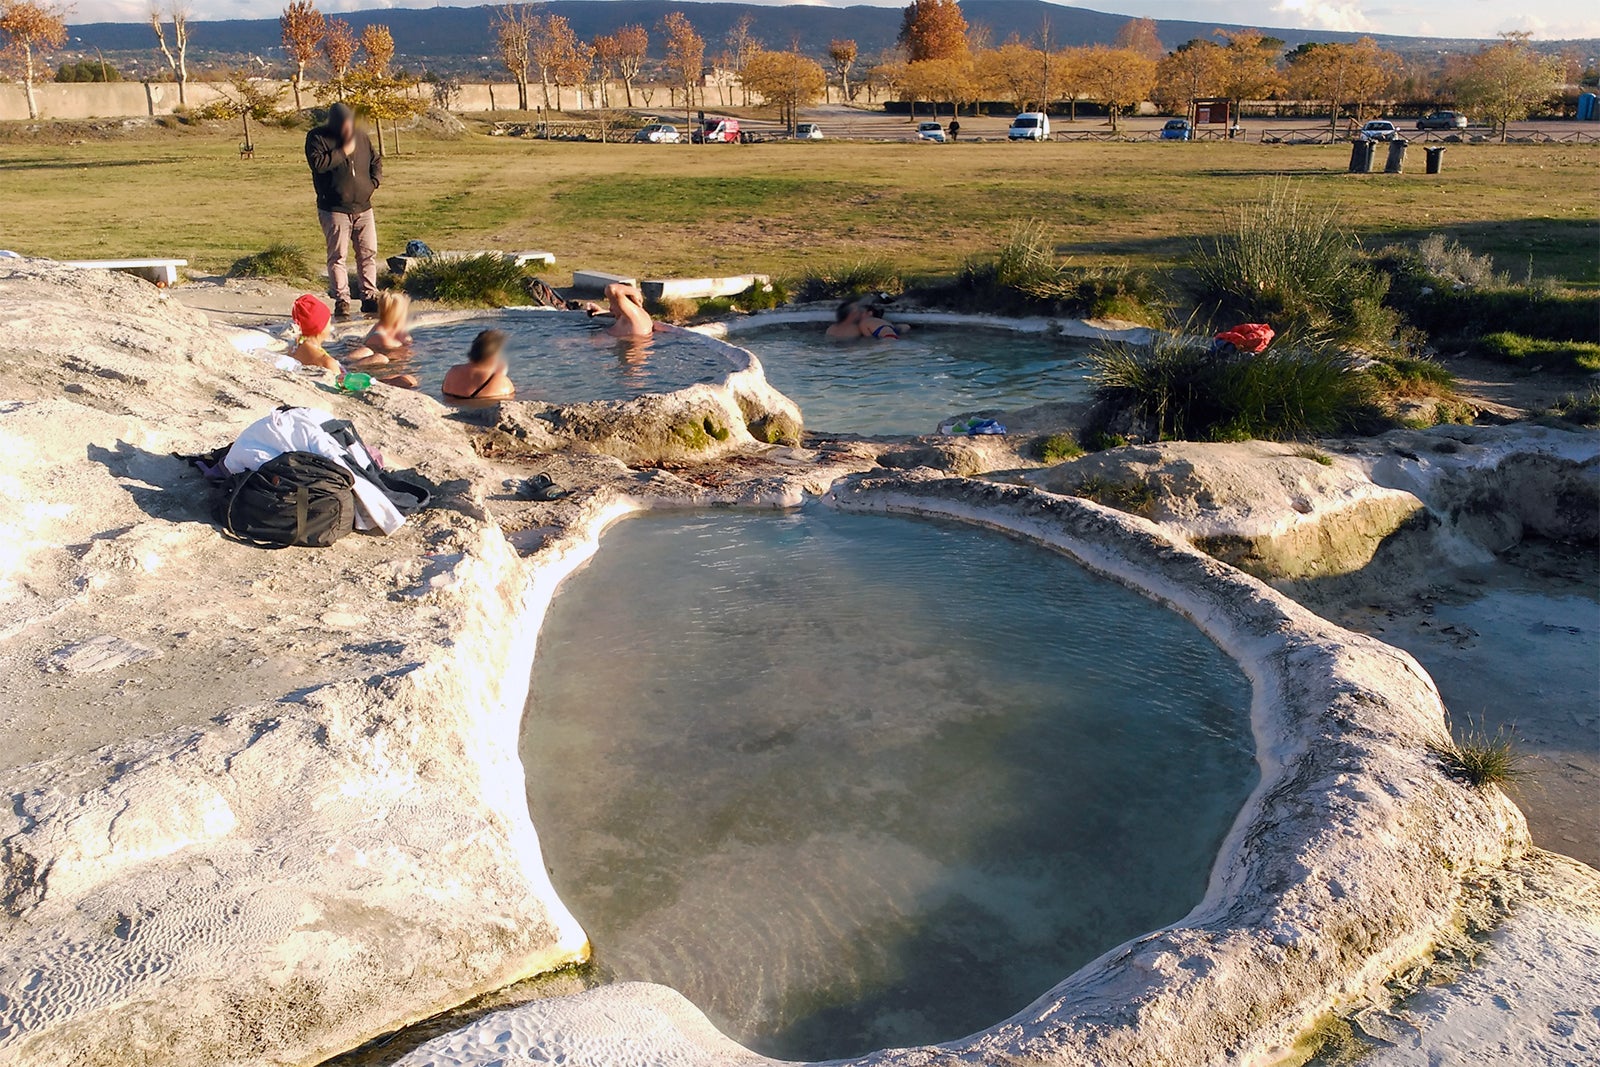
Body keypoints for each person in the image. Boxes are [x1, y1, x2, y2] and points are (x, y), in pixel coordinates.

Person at [305, 102, 382, 319]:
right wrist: (343, 151)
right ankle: (342, 300)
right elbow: (318, 164)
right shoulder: (317, 137)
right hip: (334, 209)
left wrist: (374, 182)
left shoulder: (362, 137)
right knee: (338, 256)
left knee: (368, 254)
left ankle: (369, 297)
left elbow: (376, 160)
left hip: (364, 208)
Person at [442, 329, 514, 400]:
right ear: (494, 354)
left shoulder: (452, 371)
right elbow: (508, 397)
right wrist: (501, 376)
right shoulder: (500, 381)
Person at [346, 291, 412, 365]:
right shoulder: (382, 337)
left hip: (376, 353)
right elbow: (399, 356)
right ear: (399, 315)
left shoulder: (392, 329)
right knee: (378, 357)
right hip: (373, 361)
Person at [578, 282, 655, 339]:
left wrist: (635, 291)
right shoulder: (630, 317)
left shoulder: (636, 317)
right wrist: (601, 311)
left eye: (614, 303)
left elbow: (612, 289)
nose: (610, 308)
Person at [289, 294, 340, 371]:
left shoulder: (294, 349)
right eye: (329, 322)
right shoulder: (327, 363)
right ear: (321, 328)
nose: (330, 326)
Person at [824, 299, 905, 341]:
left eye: (861, 310)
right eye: (858, 309)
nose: (859, 311)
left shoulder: (831, 329)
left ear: (870, 313)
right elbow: (905, 327)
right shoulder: (862, 325)